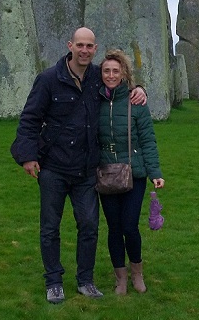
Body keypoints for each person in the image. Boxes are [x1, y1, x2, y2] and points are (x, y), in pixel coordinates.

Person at [10, 27, 147, 304]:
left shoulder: (98, 76)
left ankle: (85, 280)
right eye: (80, 45)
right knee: (50, 226)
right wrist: (27, 155)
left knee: (89, 225)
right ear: (70, 45)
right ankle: (54, 281)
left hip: (87, 168)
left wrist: (139, 89)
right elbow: (30, 119)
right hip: (53, 167)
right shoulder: (49, 79)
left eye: (90, 46)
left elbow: (119, 83)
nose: (85, 50)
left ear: (95, 49)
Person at [97, 49, 165, 295]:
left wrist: (154, 172)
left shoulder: (136, 102)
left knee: (129, 226)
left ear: (124, 73)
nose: (111, 75)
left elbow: (148, 140)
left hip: (134, 173)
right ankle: (120, 278)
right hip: (105, 172)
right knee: (114, 227)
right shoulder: (95, 99)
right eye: (106, 71)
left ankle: (137, 272)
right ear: (100, 73)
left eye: (116, 70)